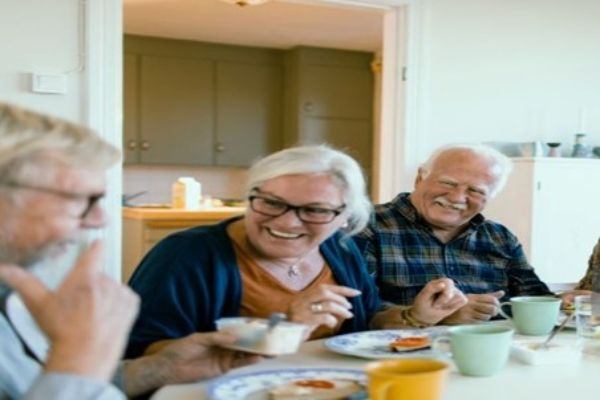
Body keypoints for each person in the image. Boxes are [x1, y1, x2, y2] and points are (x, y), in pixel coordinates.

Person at [0, 102, 258, 400]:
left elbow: (38, 387)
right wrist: (77, 363)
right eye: (80, 199)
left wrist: (161, 368)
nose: (100, 219)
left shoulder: (14, 291)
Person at [126, 145, 467, 358]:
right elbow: (145, 353)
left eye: (315, 210)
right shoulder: (187, 254)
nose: (287, 221)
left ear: (345, 218)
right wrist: (280, 331)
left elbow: (365, 320)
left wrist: (416, 316)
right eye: (271, 202)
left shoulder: (340, 249)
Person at [355, 144, 586, 324]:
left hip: (495, 356)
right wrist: (437, 316)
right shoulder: (366, 225)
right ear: (420, 178)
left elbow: (532, 298)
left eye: (475, 190)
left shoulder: (500, 237)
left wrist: (563, 301)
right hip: (402, 357)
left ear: (490, 197)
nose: (457, 197)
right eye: (448, 183)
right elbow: (357, 312)